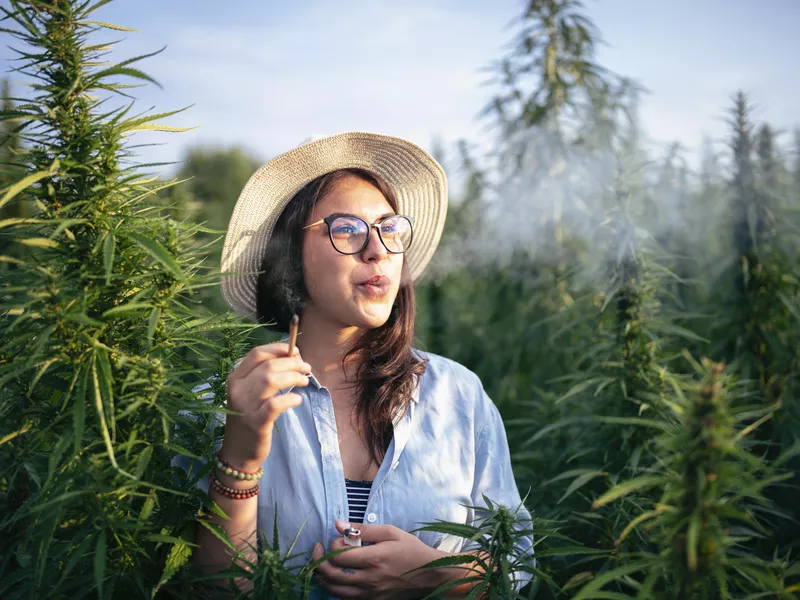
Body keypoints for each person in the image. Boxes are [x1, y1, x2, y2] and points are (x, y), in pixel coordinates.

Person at [179, 132, 534, 598]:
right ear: (289, 254)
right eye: (347, 229)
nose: (377, 249)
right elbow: (211, 591)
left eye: (389, 228)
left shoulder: (459, 396)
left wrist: (435, 575)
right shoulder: (221, 406)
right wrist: (239, 459)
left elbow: (516, 565)